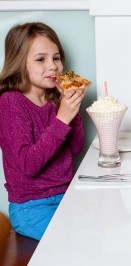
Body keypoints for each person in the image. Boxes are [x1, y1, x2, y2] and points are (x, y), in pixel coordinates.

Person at [0, 22, 90, 240]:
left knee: (101, 232)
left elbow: (76, 148)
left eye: (56, 58)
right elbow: (29, 165)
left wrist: (71, 109)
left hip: (67, 196)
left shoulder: (54, 100)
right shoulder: (11, 102)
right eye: (41, 59)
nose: (53, 66)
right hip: (32, 208)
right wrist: (63, 118)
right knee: (74, 244)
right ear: (20, 63)